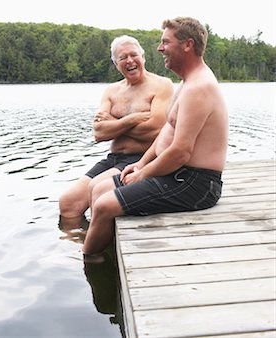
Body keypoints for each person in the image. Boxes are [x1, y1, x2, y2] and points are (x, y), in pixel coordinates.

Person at [82, 17, 229, 256]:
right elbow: (166, 134)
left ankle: (89, 262)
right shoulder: (187, 83)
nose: (160, 49)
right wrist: (140, 164)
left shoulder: (200, 88)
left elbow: (181, 152)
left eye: (165, 42)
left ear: (187, 45)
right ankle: (103, 251)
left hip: (196, 184)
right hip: (177, 175)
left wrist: (143, 174)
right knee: (98, 189)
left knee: (104, 204)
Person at [59, 35, 174, 230]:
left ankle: (100, 251)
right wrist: (132, 119)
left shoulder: (162, 85)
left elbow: (154, 128)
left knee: (98, 192)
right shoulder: (111, 91)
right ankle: (80, 245)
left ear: (143, 57)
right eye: (122, 58)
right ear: (115, 63)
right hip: (114, 158)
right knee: (67, 203)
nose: (129, 61)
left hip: (141, 158)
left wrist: (114, 124)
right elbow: (99, 132)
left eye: (133, 55)